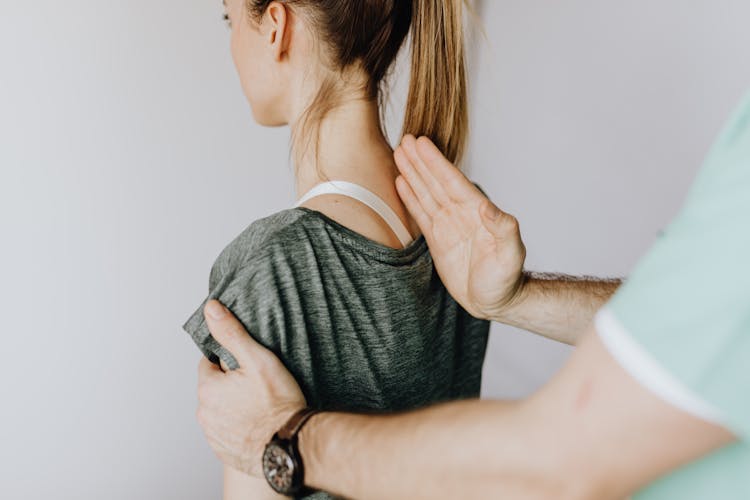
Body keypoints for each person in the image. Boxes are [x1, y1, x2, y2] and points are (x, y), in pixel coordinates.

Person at [195, 88, 750, 499]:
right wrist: (515, 298)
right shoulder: (440, 237)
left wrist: (288, 439)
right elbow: (700, 324)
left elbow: (558, 463)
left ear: (276, 26)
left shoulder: (272, 262)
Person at [181, 1, 552, 498]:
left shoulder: (273, 270)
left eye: (229, 18)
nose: (229, 43)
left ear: (276, 26)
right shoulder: (458, 231)